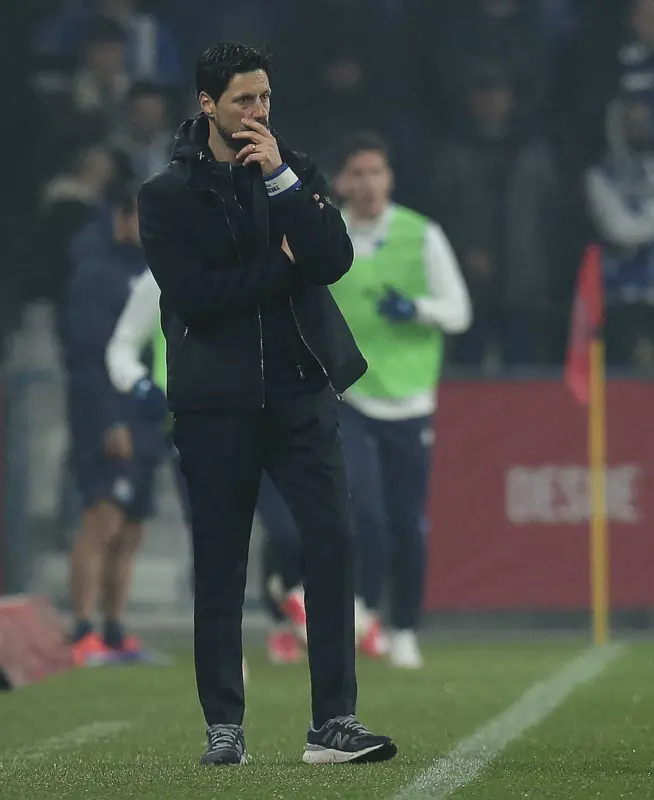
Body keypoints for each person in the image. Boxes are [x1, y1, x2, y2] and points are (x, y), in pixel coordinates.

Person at [136, 41, 395, 766]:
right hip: (214, 404)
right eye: (243, 99)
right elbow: (198, 300)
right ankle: (225, 726)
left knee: (332, 544)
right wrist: (281, 266)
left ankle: (334, 722)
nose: (258, 112)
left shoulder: (293, 171)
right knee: (221, 565)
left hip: (300, 391)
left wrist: (281, 179)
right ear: (207, 104)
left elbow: (333, 260)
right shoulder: (165, 196)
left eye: (266, 98)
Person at [106, 268, 312, 666]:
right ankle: (225, 650)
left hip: (262, 421)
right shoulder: (162, 276)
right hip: (193, 425)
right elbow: (121, 347)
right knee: (216, 544)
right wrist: (139, 384)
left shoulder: (259, 266)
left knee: (291, 528)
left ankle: (286, 594)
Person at [330, 132, 472, 669]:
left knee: (408, 525)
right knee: (363, 511)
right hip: (349, 394)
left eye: (376, 172)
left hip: (410, 400)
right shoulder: (326, 233)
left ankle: (405, 626)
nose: (368, 184)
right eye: (358, 173)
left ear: (390, 179)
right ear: (342, 181)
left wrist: (417, 309)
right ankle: (361, 607)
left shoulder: (422, 234)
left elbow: (459, 311)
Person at [60, 188, 164, 666]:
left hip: (147, 416)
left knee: (133, 527)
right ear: (122, 218)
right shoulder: (95, 273)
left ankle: (115, 630)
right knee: (103, 519)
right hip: (107, 417)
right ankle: (82, 630)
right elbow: (87, 356)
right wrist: (109, 420)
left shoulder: (152, 269)